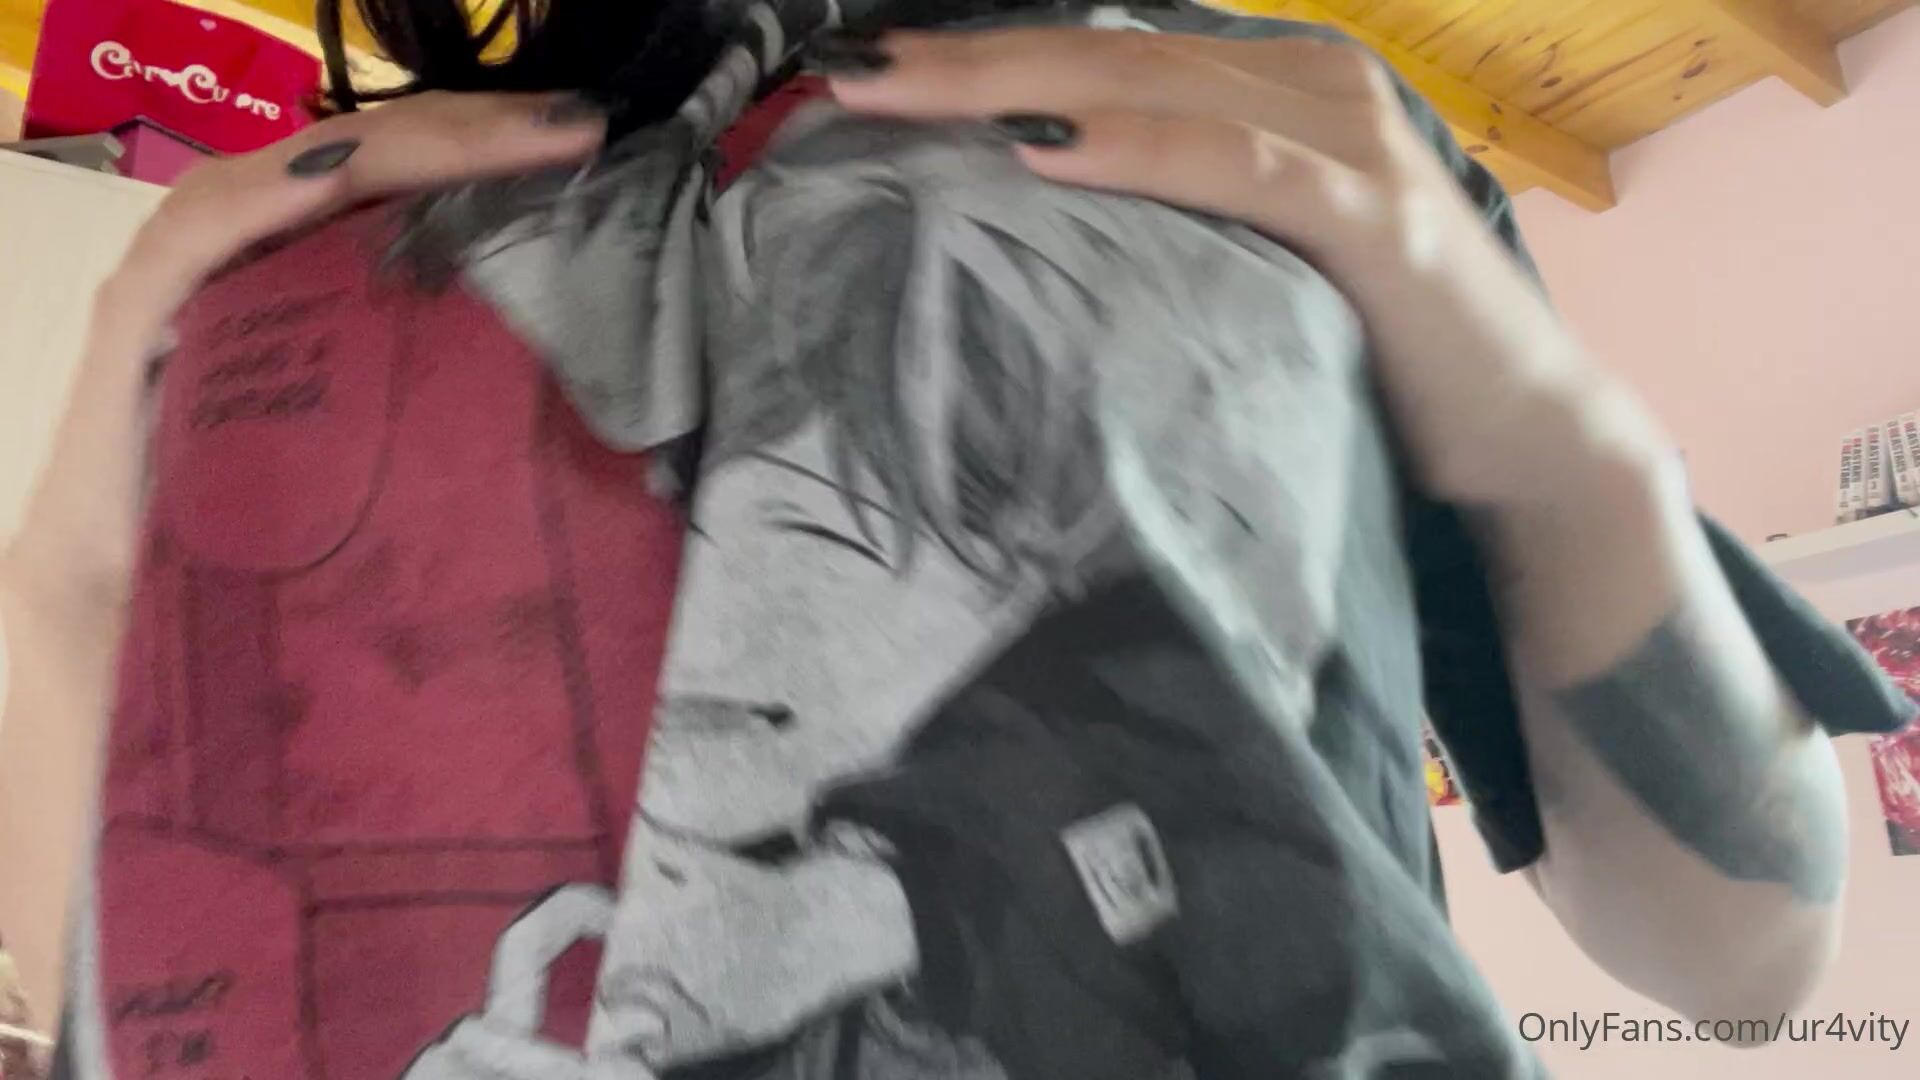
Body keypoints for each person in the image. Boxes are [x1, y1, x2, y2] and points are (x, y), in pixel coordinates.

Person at [2, 0, 1910, 1077]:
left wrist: (1524, 393)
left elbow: (1743, 955)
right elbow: (73, 942)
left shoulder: (1265, 139)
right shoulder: (322, 237)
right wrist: (121, 382)